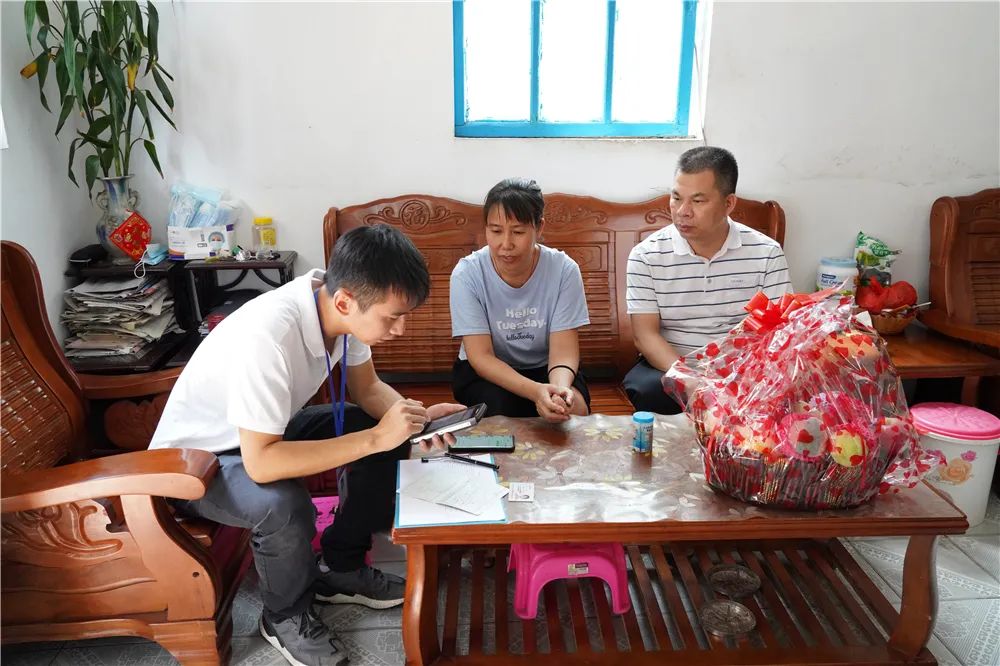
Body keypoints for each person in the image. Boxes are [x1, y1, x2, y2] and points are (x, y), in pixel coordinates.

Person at [149, 224, 465, 666]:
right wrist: (376, 437)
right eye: (392, 317)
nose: (400, 329)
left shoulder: (338, 310)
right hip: (193, 464)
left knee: (377, 428)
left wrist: (416, 421)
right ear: (346, 301)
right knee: (282, 505)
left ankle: (342, 566)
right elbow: (261, 465)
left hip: (256, 436)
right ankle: (284, 615)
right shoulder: (270, 337)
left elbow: (369, 389)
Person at [624, 147, 792, 414]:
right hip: (672, 364)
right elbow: (645, 336)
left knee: (784, 390)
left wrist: (740, 379)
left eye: (698, 201)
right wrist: (690, 379)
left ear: (729, 203)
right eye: (676, 198)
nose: (683, 211)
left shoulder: (766, 253)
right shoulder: (647, 255)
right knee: (648, 389)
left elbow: (778, 332)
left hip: (741, 369)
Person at [449, 178, 591, 422]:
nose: (506, 244)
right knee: (503, 411)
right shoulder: (467, 274)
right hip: (488, 372)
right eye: (495, 231)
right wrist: (536, 392)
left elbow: (563, 351)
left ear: (539, 227)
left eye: (518, 232)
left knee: (573, 409)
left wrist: (557, 392)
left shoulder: (564, 270)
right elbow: (481, 357)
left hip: (547, 368)